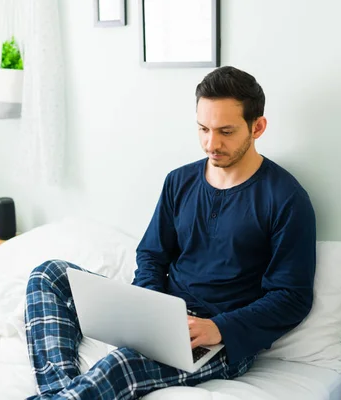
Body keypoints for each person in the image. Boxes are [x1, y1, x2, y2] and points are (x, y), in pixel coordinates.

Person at [24, 66, 317, 400]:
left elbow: (292, 297)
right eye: (203, 129)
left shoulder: (286, 198)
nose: (211, 143)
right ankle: (60, 392)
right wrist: (148, 307)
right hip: (162, 315)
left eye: (226, 131)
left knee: (121, 364)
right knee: (48, 275)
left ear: (258, 127)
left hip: (218, 340)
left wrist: (218, 328)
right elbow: (151, 254)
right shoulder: (179, 181)